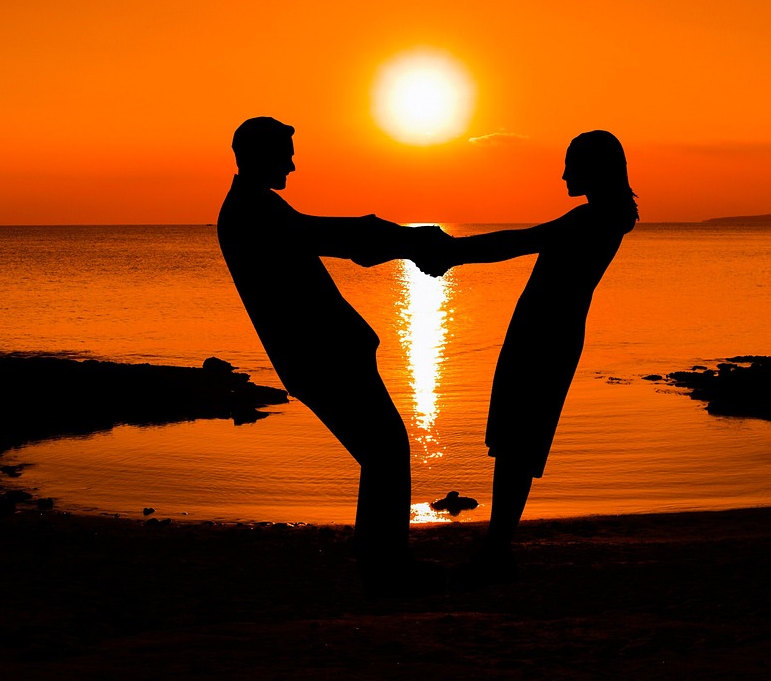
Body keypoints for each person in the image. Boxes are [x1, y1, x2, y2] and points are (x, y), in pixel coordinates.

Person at [216, 116, 448, 597]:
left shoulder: (256, 207)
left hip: (327, 354)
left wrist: (400, 241)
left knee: (383, 452)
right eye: (286, 153)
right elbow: (340, 239)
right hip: (320, 357)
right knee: (386, 450)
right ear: (259, 155)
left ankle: (382, 562)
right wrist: (411, 240)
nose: (293, 164)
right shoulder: (251, 211)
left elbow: (340, 240)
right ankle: (386, 567)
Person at [432, 130, 638, 583]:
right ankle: (497, 549)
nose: (563, 174)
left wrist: (450, 252)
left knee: (517, 443)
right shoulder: (608, 215)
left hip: (545, 334)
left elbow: (515, 243)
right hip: (546, 331)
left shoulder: (594, 219)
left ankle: (497, 552)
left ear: (594, 169)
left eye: (571, 164)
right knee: (513, 443)